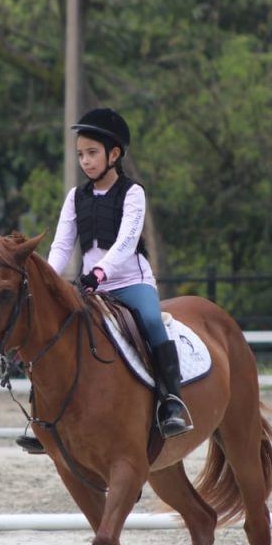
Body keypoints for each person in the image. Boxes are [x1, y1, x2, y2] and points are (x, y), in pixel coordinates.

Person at [44, 107, 190, 441]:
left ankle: (171, 401)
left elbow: (126, 243)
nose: (85, 161)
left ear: (114, 154)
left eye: (92, 153)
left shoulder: (133, 193)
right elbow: (62, 245)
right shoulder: (75, 197)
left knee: (153, 322)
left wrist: (99, 272)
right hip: (91, 287)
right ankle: (48, 415)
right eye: (81, 154)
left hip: (130, 283)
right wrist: (50, 279)